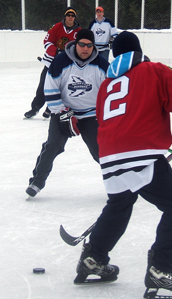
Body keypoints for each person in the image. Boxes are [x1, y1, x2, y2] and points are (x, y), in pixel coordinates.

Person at [73, 31, 172, 299]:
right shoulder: (154, 69)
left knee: (120, 204)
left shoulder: (108, 83)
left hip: (108, 155)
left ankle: (93, 259)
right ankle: (160, 270)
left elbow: (108, 117)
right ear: (138, 50)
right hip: (141, 153)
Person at [25, 29, 109, 198]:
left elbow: (110, 93)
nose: (85, 49)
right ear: (75, 44)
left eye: (89, 45)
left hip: (90, 115)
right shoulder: (61, 61)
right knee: (53, 145)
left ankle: (119, 183)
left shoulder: (102, 65)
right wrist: (62, 112)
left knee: (100, 150)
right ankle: (37, 181)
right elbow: (50, 88)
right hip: (62, 112)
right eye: (82, 44)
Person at [24, 7, 81, 119]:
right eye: (68, 15)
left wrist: (68, 53)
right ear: (65, 16)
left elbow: (79, 47)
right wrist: (56, 51)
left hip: (66, 65)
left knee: (60, 87)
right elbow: (47, 41)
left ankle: (50, 109)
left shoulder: (78, 31)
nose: (70, 17)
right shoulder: (57, 27)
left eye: (72, 15)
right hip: (51, 62)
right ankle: (35, 107)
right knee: (43, 85)